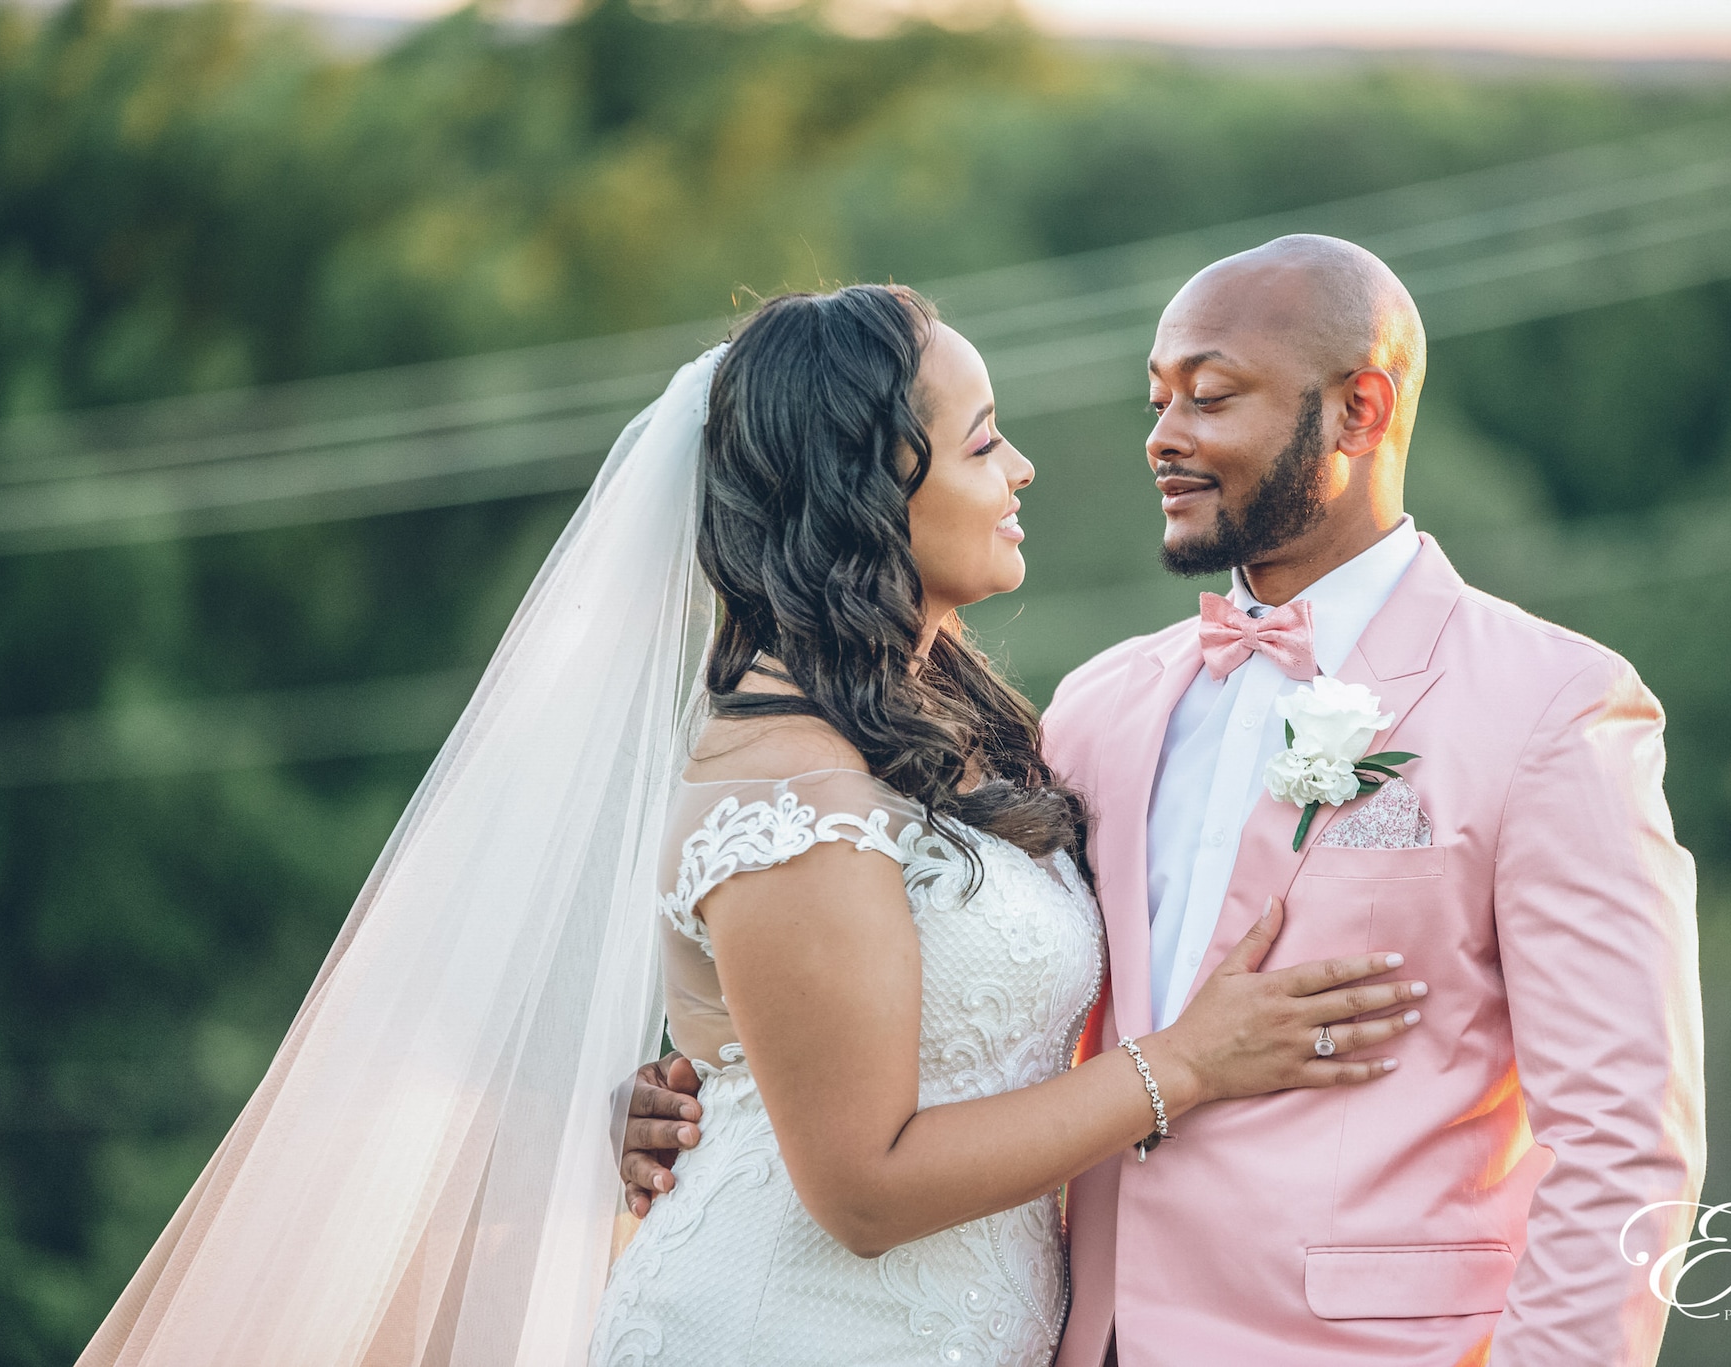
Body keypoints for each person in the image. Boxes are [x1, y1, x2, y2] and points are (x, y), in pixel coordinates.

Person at [77, 282, 1426, 1367]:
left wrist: (705, 1087)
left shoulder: (936, 729)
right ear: (866, 489)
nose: (1019, 467)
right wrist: (1182, 1066)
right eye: (979, 441)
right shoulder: (789, 784)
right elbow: (863, 1184)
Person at [625, 242, 1708, 1367]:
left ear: (1356, 410)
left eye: (1211, 395)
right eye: (1156, 398)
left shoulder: (1552, 709)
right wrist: (701, 1095)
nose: (1162, 436)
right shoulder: (1097, 709)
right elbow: (929, 985)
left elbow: (1626, 1142)